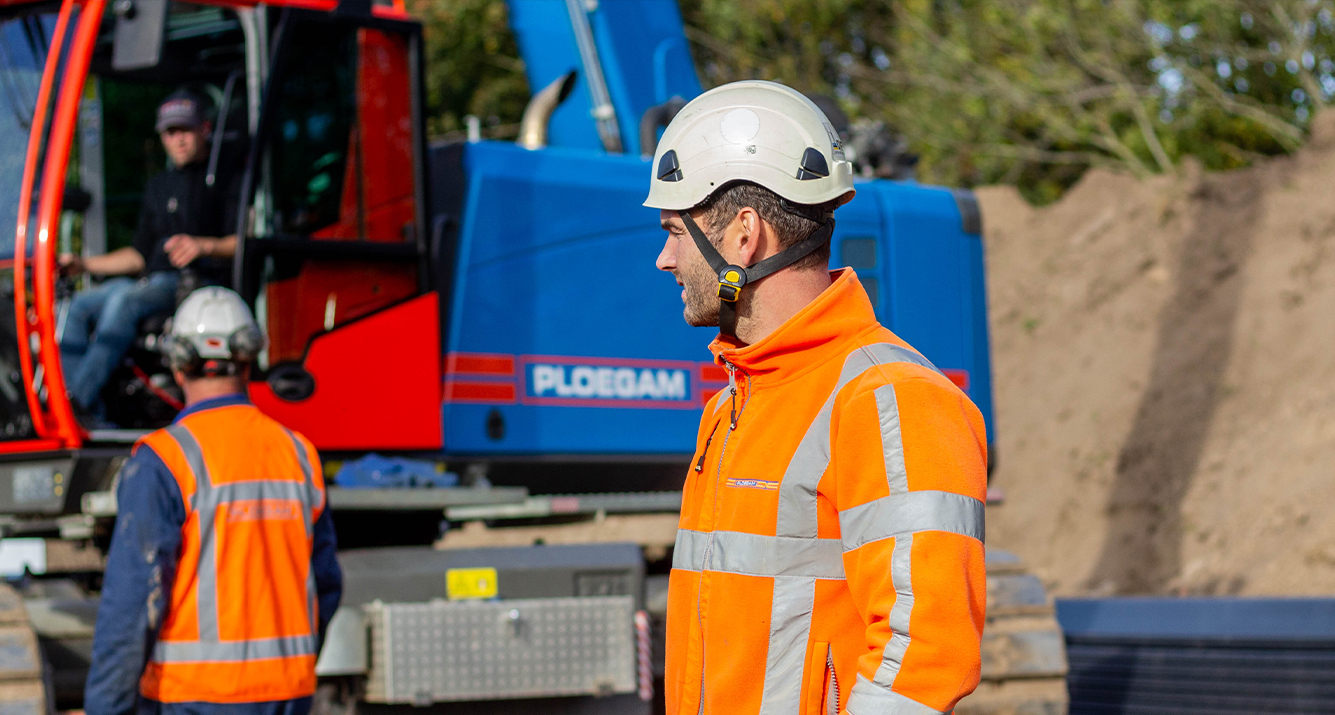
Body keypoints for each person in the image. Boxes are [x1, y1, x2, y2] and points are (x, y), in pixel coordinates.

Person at [647, 81, 987, 715]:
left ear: (742, 235)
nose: (664, 259)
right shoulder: (733, 404)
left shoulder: (892, 400)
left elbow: (924, 657)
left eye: (674, 230)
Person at [85, 287, 341, 715]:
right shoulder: (299, 453)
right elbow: (326, 582)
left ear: (179, 366)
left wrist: (107, 708)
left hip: (195, 698)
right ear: (248, 360)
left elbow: (133, 601)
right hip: (288, 694)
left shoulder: (166, 459)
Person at [59, 90, 238, 425]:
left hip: (195, 283)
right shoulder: (158, 186)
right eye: (171, 133)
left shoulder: (224, 178)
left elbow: (244, 241)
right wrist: (84, 265)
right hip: (149, 280)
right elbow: (137, 255)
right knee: (80, 305)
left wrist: (205, 246)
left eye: (185, 130)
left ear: (205, 129)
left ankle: (77, 402)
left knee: (125, 300)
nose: (179, 140)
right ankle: (84, 408)